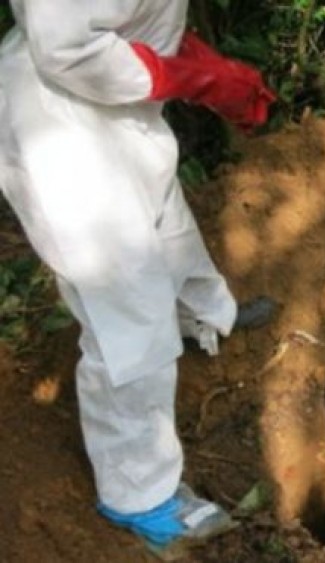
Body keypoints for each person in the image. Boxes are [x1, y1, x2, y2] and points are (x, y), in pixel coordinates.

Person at [0, 1, 277, 557]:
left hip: (113, 109)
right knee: (128, 311)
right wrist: (187, 75)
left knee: (168, 228)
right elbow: (65, 47)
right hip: (62, 122)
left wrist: (194, 58)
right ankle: (139, 493)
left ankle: (204, 318)